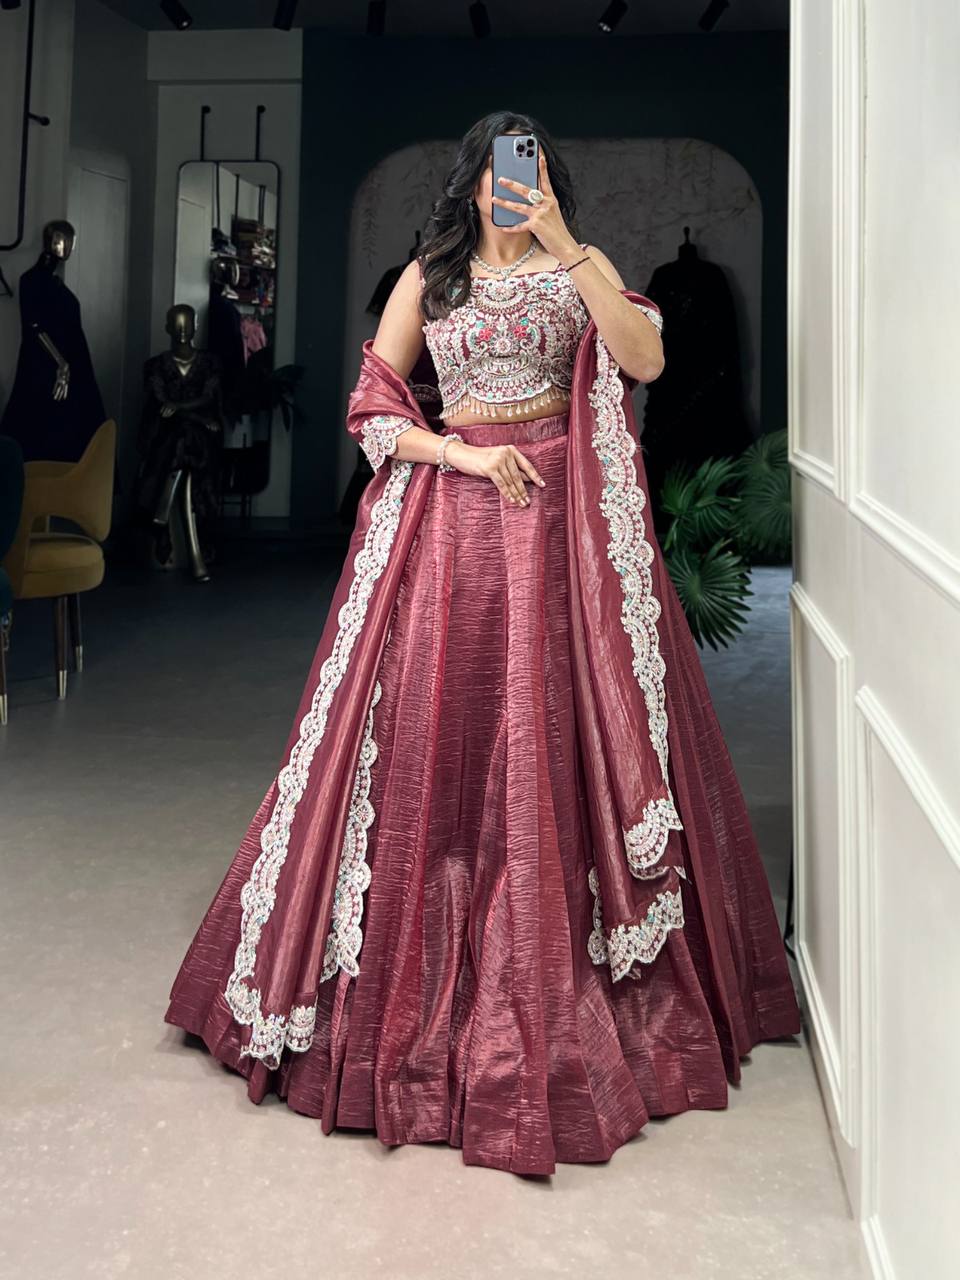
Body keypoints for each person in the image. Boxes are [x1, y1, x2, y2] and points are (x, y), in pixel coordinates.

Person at [164, 111, 801, 1176]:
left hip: (559, 534)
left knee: (552, 729)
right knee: (439, 735)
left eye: (535, 167)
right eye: (506, 169)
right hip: (454, 527)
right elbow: (373, 406)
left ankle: (562, 967)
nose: (519, 181)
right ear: (472, 181)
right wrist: (458, 458)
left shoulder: (577, 267)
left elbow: (645, 358)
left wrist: (563, 241)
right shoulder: (432, 275)